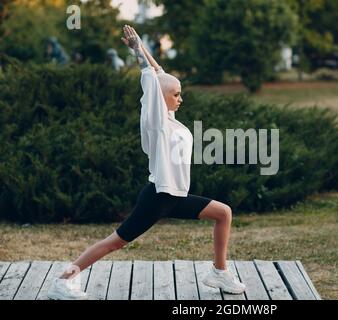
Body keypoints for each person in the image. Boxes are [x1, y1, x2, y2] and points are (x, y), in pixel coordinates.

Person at [47, 25, 246, 300]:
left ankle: (219, 272)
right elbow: (151, 80)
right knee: (115, 242)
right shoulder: (155, 121)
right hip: (158, 197)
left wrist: (144, 49)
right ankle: (63, 281)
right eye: (176, 94)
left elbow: (159, 72)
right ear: (160, 96)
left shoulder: (170, 120)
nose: (180, 98)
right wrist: (137, 52)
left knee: (223, 213)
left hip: (176, 196)